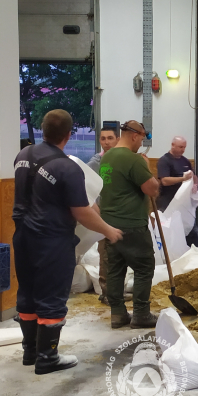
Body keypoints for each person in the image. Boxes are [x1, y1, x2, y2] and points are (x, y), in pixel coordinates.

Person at [13, 109, 123, 375]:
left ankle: (30, 351)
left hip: (22, 237)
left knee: (27, 293)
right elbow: (81, 212)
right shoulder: (67, 167)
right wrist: (109, 230)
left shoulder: (22, 156)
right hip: (51, 241)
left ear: (43, 129)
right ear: (68, 134)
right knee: (52, 296)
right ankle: (48, 357)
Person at [99, 120, 161, 329]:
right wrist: (147, 168)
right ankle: (141, 314)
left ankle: (117, 314)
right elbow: (152, 189)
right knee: (144, 267)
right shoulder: (133, 160)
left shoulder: (107, 157)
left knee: (115, 269)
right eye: (141, 139)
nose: (141, 143)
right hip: (131, 223)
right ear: (135, 136)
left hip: (109, 224)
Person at [88, 127, 119, 304]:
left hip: (120, 212)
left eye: (110, 138)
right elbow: (85, 186)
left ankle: (116, 291)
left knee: (119, 254)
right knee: (106, 253)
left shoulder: (122, 160)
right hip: (104, 213)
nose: (106, 142)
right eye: (103, 138)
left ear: (117, 140)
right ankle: (106, 292)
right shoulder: (95, 163)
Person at [156, 135, 198, 246]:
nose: (183, 150)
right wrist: (182, 179)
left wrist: (195, 184)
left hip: (184, 204)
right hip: (167, 202)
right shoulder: (164, 161)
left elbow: (194, 176)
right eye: (180, 147)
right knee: (169, 233)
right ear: (173, 145)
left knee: (192, 233)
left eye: (184, 147)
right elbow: (164, 181)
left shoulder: (185, 161)